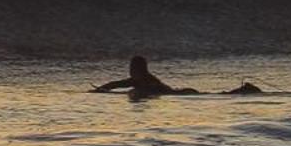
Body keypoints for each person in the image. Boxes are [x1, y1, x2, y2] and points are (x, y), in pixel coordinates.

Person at [92, 57, 261, 97]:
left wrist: (103, 90)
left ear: (137, 68)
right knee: (216, 95)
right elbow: (115, 84)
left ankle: (245, 89)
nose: (130, 71)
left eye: (132, 68)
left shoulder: (143, 79)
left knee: (216, 96)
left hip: (181, 94)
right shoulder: (138, 80)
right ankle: (243, 89)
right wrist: (102, 89)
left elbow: (118, 84)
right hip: (181, 93)